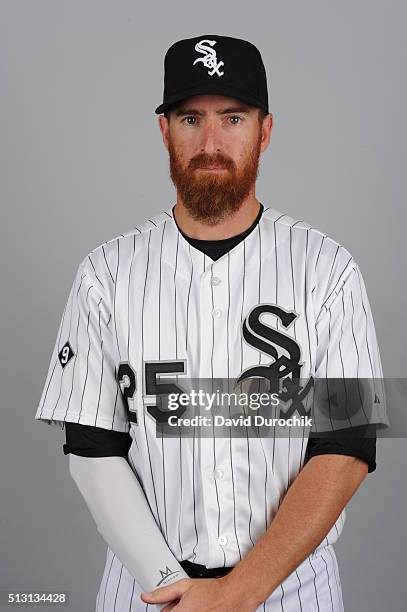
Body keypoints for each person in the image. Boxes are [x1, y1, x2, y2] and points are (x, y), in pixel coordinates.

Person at [35, 35, 384, 611]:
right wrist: (175, 587)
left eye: (234, 117)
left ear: (265, 130)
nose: (212, 141)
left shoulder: (330, 269)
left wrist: (237, 593)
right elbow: (92, 447)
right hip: (148, 592)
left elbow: (347, 448)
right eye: (191, 118)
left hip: (292, 592)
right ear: (164, 130)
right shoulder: (106, 273)